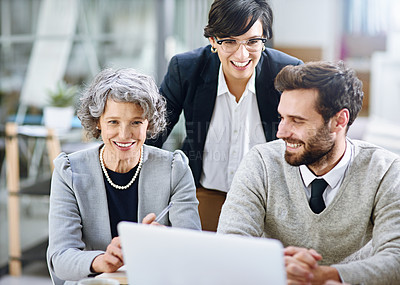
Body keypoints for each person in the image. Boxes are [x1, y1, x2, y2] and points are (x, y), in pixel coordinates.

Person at [217, 61, 400, 284]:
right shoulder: (261, 163)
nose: (281, 132)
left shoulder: (385, 171)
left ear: (338, 121)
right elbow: (230, 244)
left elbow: (396, 258)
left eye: (297, 120)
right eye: (282, 117)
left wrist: (325, 276)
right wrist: (279, 267)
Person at [148, 0, 302, 231]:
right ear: (213, 41)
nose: (241, 55)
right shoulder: (186, 68)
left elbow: (304, 141)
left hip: (270, 198)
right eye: (229, 41)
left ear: (264, 39)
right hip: (205, 192)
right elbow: (153, 135)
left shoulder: (288, 73)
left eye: (252, 41)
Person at [47, 68, 201, 285]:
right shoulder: (69, 172)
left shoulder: (175, 169)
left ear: (149, 123)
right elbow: (60, 257)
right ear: (98, 122)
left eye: (136, 122)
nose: (124, 134)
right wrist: (100, 261)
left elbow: (192, 249)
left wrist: (167, 241)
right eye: (113, 122)